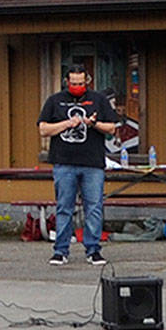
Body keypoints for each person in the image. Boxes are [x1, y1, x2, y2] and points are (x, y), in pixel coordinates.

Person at [37, 66, 119, 266]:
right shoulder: (54, 100)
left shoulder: (99, 99)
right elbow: (43, 129)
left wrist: (93, 124)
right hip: (64, 163)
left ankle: (93, 250)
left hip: (92, 163)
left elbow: (112, 127)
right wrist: (66, 124)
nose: (77, 86)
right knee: (64, 207)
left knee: (94, 207)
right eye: (73, 83)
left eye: (81, 83)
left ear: (87, 81)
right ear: (67, 81)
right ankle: (60, 250)